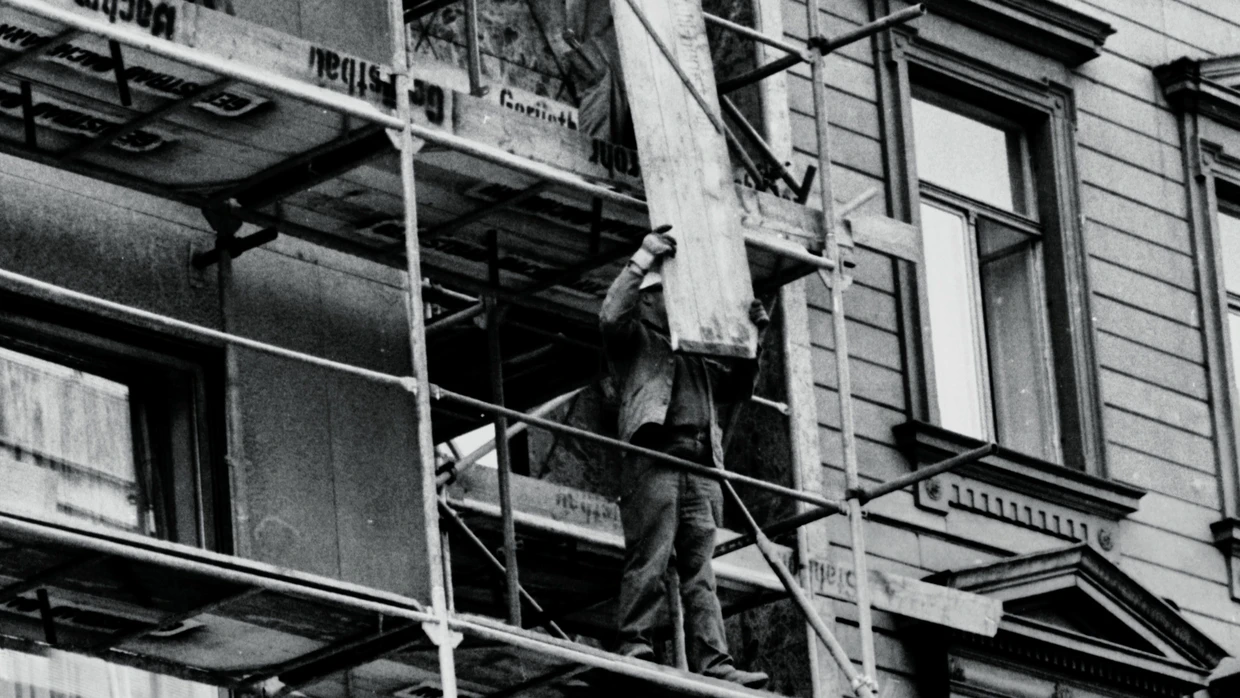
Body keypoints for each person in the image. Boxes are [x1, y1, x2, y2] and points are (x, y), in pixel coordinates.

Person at [598, 228, 770, 689]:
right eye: (664, 295)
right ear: (650, 300)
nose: (674, 301)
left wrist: (754, 340)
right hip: (655, 461)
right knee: (649, 560)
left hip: (700, 468)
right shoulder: (636, 339)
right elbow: (611, 315)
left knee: (700, 573)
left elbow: (737, 387)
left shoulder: (695, 345)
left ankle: (713, 660)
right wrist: (642, 260)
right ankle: (636, 645)